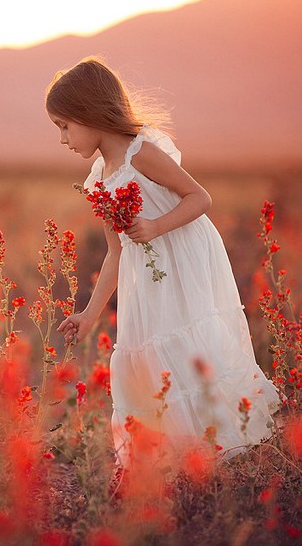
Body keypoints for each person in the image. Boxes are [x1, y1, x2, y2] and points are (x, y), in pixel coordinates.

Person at [46, 57, 280, 468]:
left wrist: (155, 226)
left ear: (89, 113)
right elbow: (116, 250)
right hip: (147, 276)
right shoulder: (101, 178)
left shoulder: (142, 154)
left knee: (189, 347)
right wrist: (88, 314)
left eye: (65, 126)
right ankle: (174, 464)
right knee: (151, 358)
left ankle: (224, 454)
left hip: (182, 260)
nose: (63, 139)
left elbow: (200, 198)